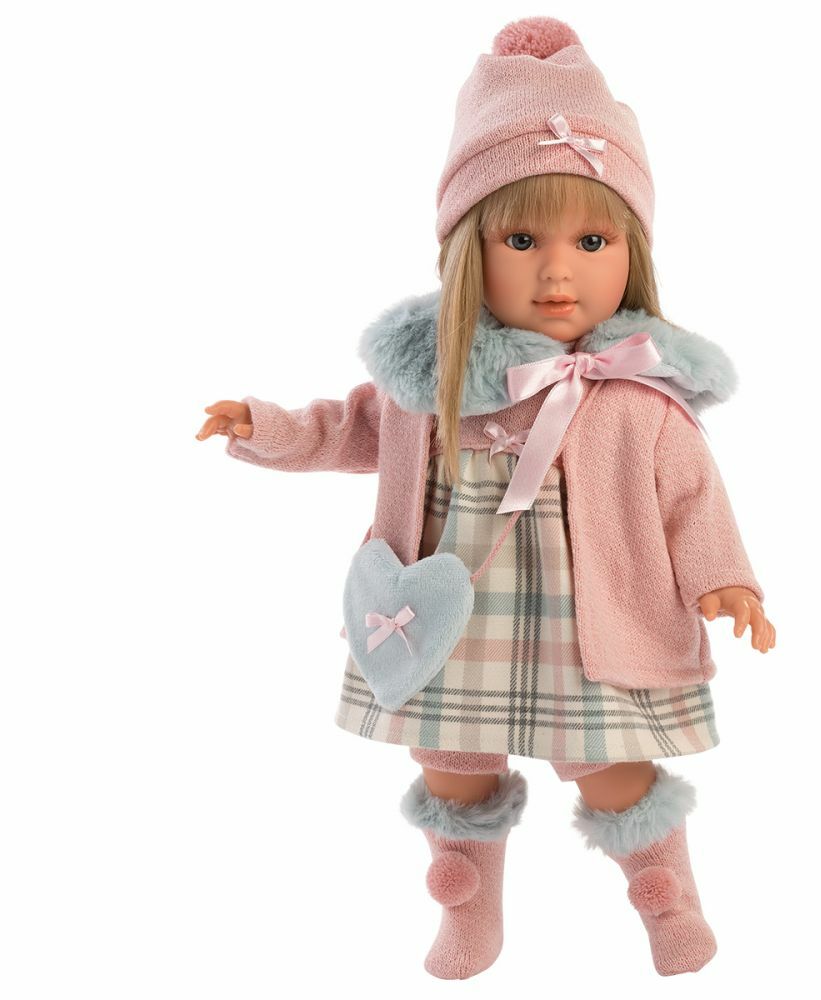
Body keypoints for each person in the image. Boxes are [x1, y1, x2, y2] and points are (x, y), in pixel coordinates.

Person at [195, 16, 776, 980]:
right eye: (522, 238)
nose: (558, 269)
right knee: (451, 764)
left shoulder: (638, 399)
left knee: (612, 766)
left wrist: (725, 581)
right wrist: (266, 426)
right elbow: (347, 428)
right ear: (469, 249)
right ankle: (468, 906)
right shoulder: (432, 385)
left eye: (593, 239)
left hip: (594, 625)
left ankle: (663, 894)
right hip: (450, 616)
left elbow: (693, 501)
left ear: (633, 250)